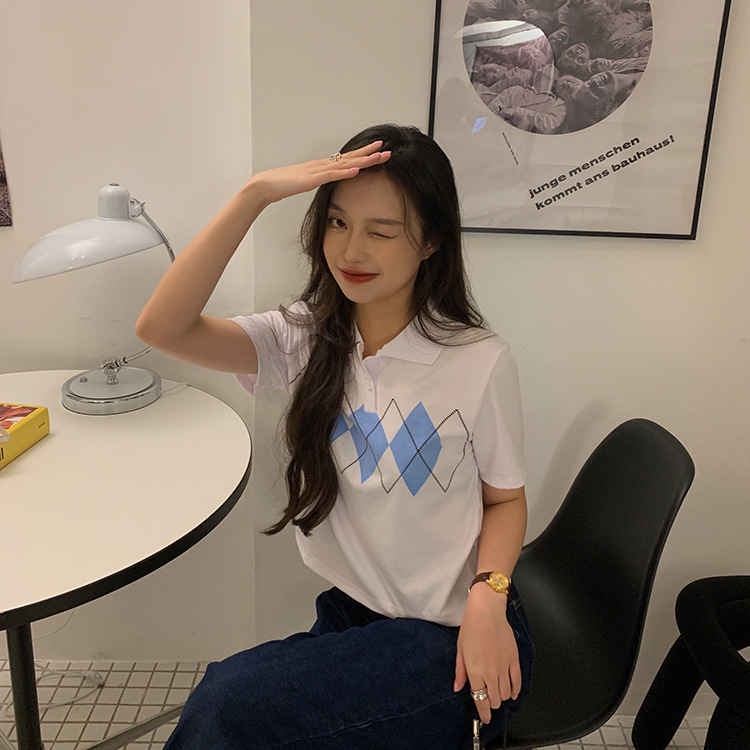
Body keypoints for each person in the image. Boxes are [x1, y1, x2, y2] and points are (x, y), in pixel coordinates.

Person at [136, 124, 533, 750]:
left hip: (452, 635)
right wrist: (254, 194)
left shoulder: (478, 361)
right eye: (338, 223)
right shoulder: (305, 337)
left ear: (432, 241)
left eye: (382, 232)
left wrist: (489, 600)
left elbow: (504, 500)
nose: (351, 250)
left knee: (225, 706)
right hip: (354, 615)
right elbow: (162, 327)